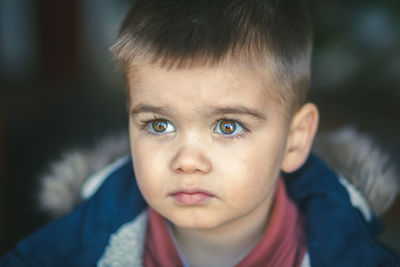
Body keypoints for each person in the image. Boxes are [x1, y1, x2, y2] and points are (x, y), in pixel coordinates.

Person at [1, 0, 399, 266]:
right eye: (159, 125)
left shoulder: (345, 251)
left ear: (293, 141)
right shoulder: (82, 242)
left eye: (228, 126)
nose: (187, 160)